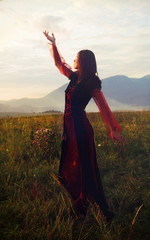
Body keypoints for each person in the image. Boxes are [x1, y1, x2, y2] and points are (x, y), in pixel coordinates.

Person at [43, 31, 125, 221]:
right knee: (71, 164)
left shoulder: (91, 82)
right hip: (69, 128)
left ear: (83, 62)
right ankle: (81, 203)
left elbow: (102, 105)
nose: (73, 60)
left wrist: (112, 129)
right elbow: (59, 64)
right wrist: (54, 44)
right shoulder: (74, 77)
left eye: (77, 58)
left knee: (85, 167)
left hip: (81, 128)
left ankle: (96, 207)